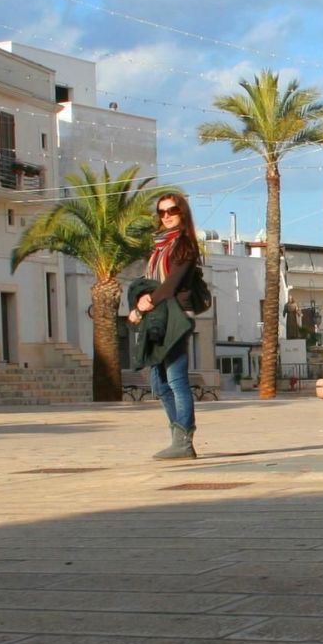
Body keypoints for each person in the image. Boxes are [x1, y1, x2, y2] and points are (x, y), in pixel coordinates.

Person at [126, 190, 203, 460]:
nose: (167, 216)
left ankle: (183, 439)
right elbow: (151, 281)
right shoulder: (159, 244)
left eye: (172, 210)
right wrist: (141, 299)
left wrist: (144, 305)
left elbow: (170, 284)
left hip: (176, 316)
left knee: (176, 379)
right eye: (162, 212)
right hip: (158, 315)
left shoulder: (185, 245)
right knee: (159, 385)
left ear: (182, 212)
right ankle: (177, 438)